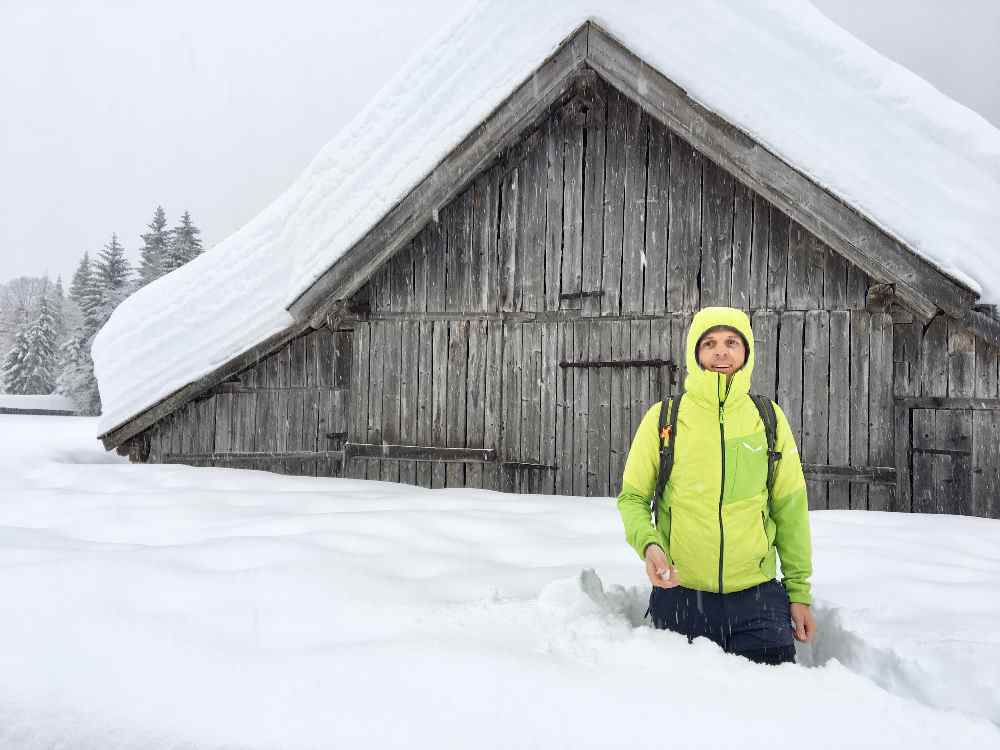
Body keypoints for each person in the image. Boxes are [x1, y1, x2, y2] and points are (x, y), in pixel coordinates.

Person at [617, 306, 816, 665]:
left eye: (731, 342)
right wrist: (649, 545)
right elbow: (632, 497)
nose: (720, 352)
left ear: (746, 352)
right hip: (680, 593)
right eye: (709, 343)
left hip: (756, 598)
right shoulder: (664, 418)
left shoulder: (767, 418)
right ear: (695, 353)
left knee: (776, 703)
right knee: (677, 707)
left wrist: (798, 591)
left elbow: (790, 508)